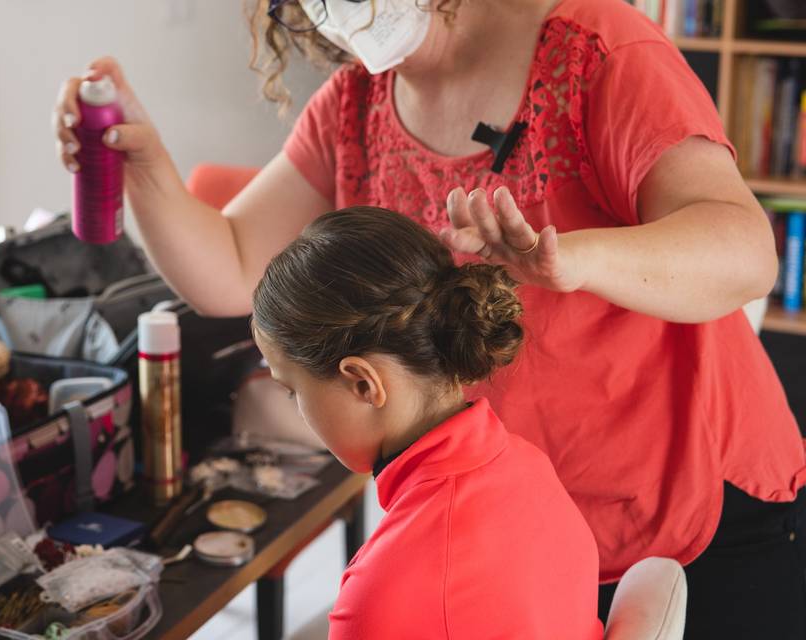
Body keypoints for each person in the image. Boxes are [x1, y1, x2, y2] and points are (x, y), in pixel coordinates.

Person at [54, 0, 806, 635]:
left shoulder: (594, 52)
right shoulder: (356, 103)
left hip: (697, 506)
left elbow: (743, 251)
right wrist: (145, 166)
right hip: (523, 527)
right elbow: (229, 269)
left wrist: (575, 262)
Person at [252, 206, 603, 639]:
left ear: (363, 384)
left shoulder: (380, 592)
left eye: (292, 390)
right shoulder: (531, 467)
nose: (298, 409)